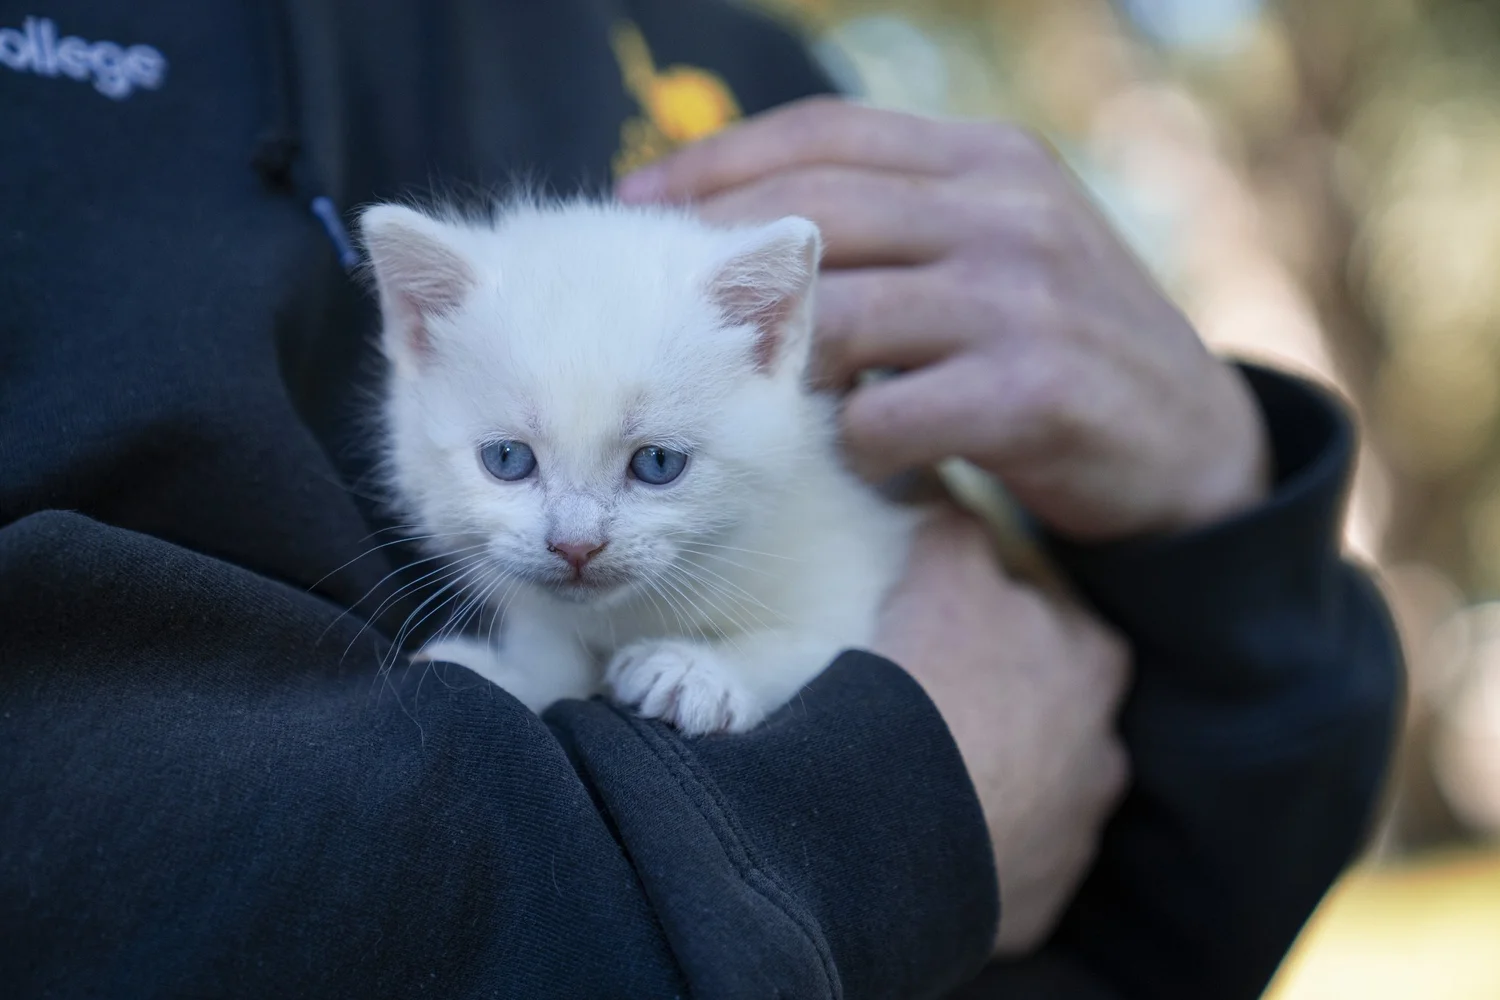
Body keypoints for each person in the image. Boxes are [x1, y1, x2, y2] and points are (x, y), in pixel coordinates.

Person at [0, 1, 1400, 997]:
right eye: (510, 466)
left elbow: (1173, 917)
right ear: (412, 339)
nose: (573, 535)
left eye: (652, 467)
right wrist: (873, 813)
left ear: (772, 347)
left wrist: (1228, 512)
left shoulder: (749, 80)